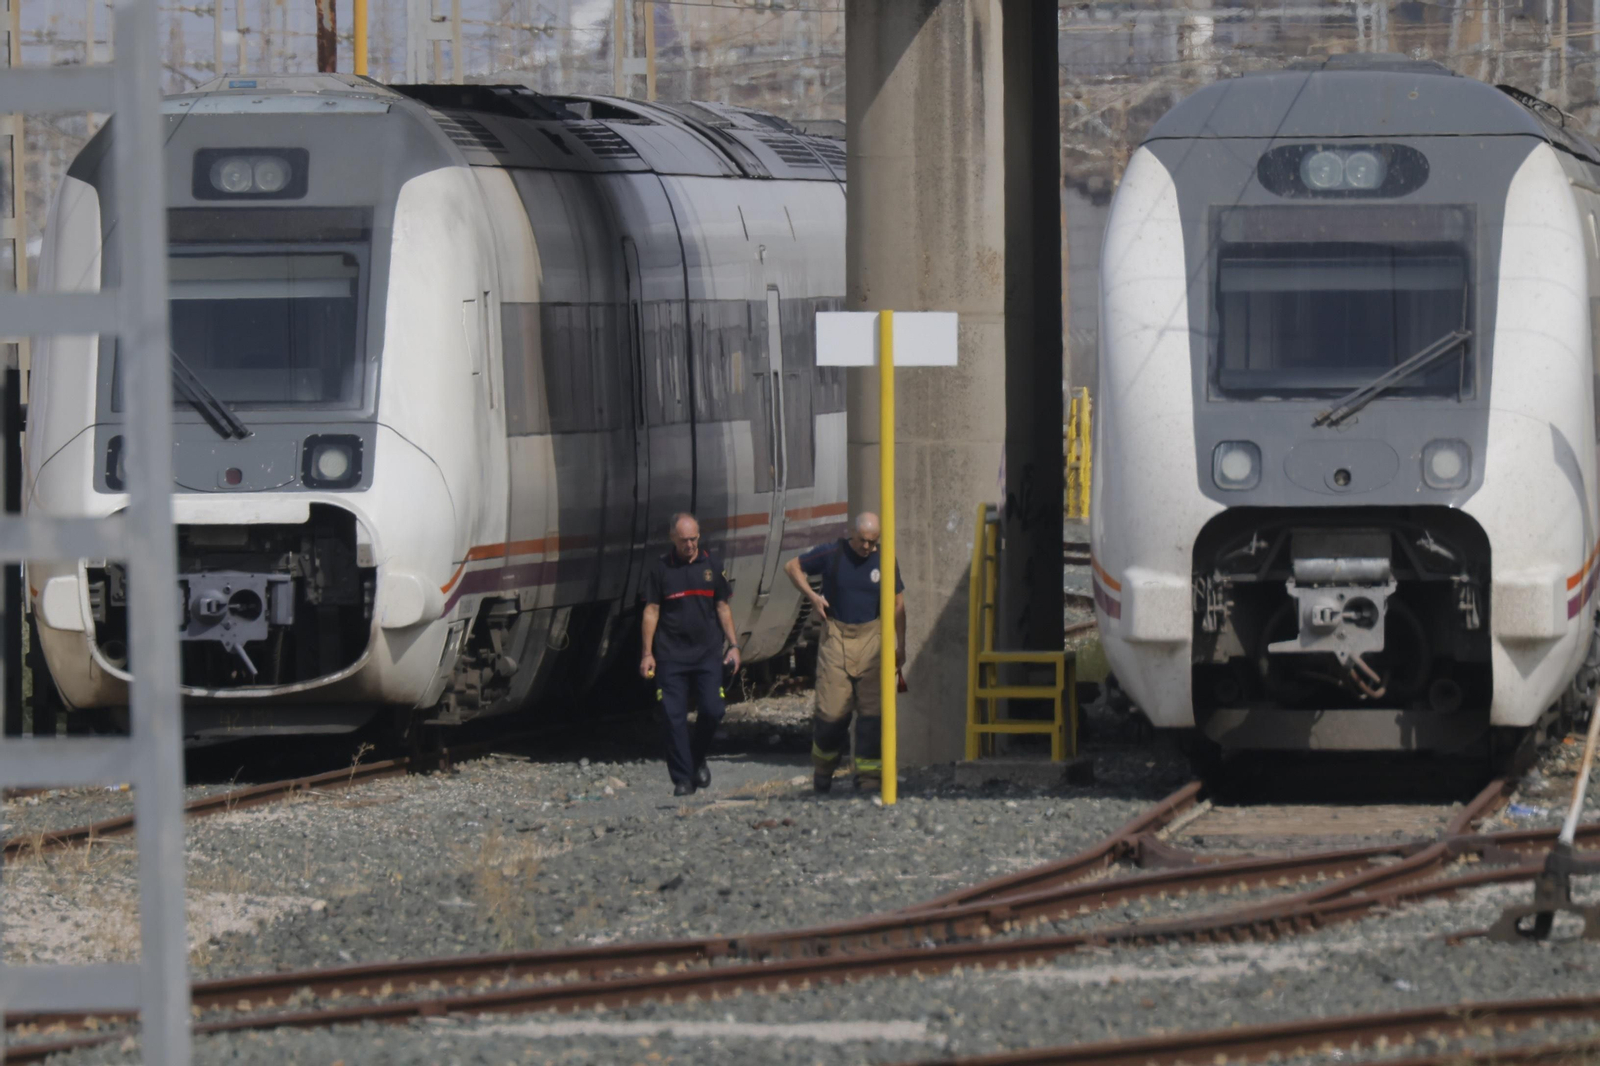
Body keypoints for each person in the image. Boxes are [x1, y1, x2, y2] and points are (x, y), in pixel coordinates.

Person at [783, 512, 906, 794]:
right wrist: (812, 597)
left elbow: (898, 604)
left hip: (872, 640)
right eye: (863, 541)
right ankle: (823, 771)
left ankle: (869, 780)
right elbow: (792, 567)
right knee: (831, 715)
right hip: (836, 639)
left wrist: (902, 645)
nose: (867, 547)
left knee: (873, 717)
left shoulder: (885, 559)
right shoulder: (832, 553)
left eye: (873, 542)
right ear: (852, 534)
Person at [641, 512, 742, 796]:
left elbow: (722, 607)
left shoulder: (712, 565)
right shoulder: (661, 570)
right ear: (673, 538)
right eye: (684, 540)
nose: (690, 545)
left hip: (707, 654)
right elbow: (651, 611)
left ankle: (697, 758)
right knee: (673, 718)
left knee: (713, 710)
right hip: (671, 656)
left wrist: (733, 646)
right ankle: (683, 779)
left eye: (694, 539)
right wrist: (647, 653)